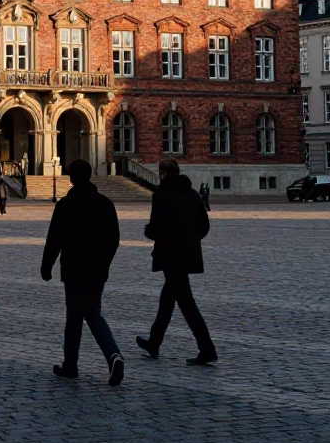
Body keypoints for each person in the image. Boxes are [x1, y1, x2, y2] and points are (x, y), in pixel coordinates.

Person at [40, 158, 124, 386]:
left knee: (78, 315)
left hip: (73, 268)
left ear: (71, 178)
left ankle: (103, 356)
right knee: (88, 312)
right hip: (97, 269)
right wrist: (104, 262)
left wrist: (46, 266)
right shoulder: (105, 204)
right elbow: (114, 239)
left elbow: (54, 239)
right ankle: (75, 364)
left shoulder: (66, 205)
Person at [136, 157, 218, 366]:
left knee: (186, 304)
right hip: (187, 254)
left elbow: (157, 227)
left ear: (163, 173)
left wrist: (149, 232)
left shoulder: (162, 195)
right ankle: (154, 342)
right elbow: (204, 225)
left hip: (170, 255)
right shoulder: (192, 194)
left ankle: (207, 348)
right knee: (167, 300)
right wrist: (190, 240)